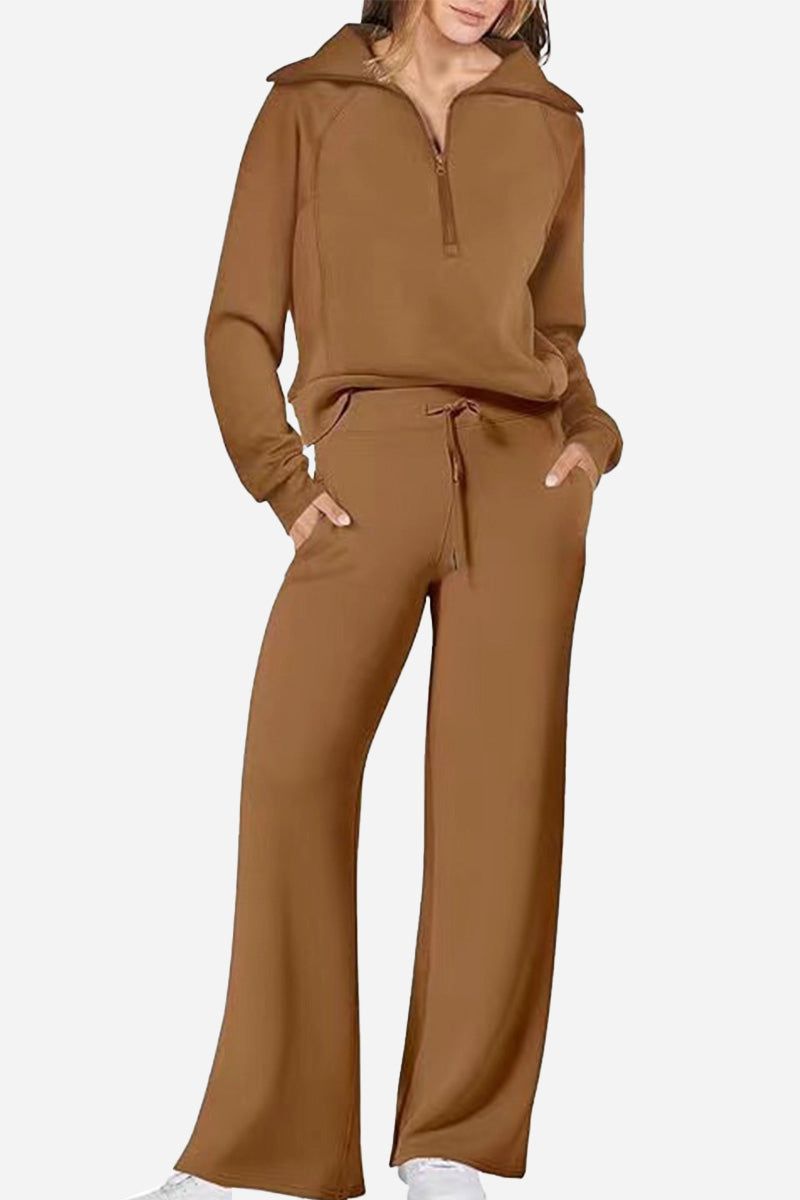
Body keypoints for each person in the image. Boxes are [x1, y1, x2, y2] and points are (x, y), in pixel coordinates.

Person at [130, 2, 622, 1199]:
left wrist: (588, 442)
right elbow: (237, 321)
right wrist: (282, 481)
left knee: (499, 804)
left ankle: (452, 1142)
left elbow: (554, 328)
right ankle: (270, 1152)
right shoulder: (307, 104)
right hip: (364, 469)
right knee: (291, 770)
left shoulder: (550, 122)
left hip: (521, 479)